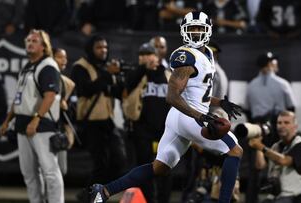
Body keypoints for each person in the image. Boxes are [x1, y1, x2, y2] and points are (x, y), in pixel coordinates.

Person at [89, 11, 243, 203]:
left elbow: (196, 92)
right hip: (189, 116)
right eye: (192, 29)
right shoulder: (185, 56)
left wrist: (220, 102)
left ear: (208, 31)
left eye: (199, 29)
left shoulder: (208, 54)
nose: (195, 33)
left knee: (159, 167)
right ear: (184, 31)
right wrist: (200, 116)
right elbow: (172, 96)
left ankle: (104, 191)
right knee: (235, 151)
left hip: (181, 117)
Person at [0, 29, 64, 203]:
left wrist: (36, 119)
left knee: (50, 170)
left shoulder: (48, 65)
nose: (30, 43)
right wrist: (7, 121)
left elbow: (50, 95)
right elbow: (18, 98)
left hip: (41, 125)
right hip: (22, 123)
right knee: (29, 173)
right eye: (28, 40)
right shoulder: (28, 66)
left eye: (34, 41)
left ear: (44, 46)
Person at [70, 34, 128, 202]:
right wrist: (107, 75)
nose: (103, 51)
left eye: (105, 47)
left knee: (119, 160)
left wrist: (121, 79)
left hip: (107, 121)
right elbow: (86, 89)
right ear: (90, 49)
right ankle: (91, 195)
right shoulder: (80, 67)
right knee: (100, 163)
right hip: (90, 122)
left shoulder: (105, 68)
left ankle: (90, 193)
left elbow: (117, 92)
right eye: (99, 47)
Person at [243, 51, 296, 203]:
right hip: (278, 128)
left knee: (255, 169)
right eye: (273, 62)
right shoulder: (282, 83)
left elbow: (246, 109)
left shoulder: (251, 85)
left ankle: (251, 200)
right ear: (270, 64)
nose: (275, 64)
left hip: (257, 127)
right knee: (278, 165)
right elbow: (291, 109)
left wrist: (256, 124)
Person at [124, 42, 172, 203]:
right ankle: (148, 200)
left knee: (165, 170)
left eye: (149, 54)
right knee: (144, 170)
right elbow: (127, 86)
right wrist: (143, 68)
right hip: (142, 130)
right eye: (142, 54)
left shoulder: (167, 74)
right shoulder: (136, 74)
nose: (145, 57)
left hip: (164, 131)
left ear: (156, 57)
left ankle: (163, 200)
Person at [248, 111, 301, 203]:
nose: (282, 126)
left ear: (295, 127)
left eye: (286, 123)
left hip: (297, 196)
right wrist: (257, 146)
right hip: (277, 196)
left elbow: (284, 161)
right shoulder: (276, 146)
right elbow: (260, 165)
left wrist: (260, 147)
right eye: (279, 123)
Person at [53, 48, 76, 176]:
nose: (64, 60)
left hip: (60, 130)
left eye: (65, 57)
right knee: (46, 170)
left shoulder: (67, 83)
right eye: (60, 57)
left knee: (61, 170)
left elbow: (72, 110)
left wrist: (66, 105)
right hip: (43, 129)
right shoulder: (42, 78)